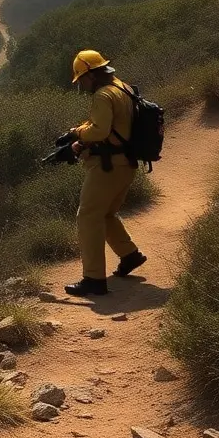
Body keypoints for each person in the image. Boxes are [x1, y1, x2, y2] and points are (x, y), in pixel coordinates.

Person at [63, 49, 147, 297]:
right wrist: (79, 130)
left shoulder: (102, 95)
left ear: (91, 75)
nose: (82, 86)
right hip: (126, 164)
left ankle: (93, 280)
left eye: (82, 80)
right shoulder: (122, 87)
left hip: (108, 167)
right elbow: (108, 125)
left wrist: (77, 134)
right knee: (106, 213)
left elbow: (100, 131)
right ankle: (129, 255)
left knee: (88, 217)